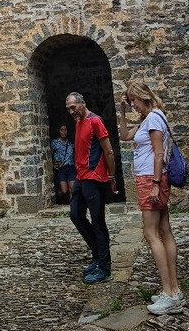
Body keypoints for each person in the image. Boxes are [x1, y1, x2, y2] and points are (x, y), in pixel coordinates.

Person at [118, 82, 184, 315]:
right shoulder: (149, 119)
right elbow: (124, 135)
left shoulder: (154, 118)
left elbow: (158, 153)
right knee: (164, 230)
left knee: (151, 233)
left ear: (143, 97)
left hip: (151, 179)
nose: (133, 105)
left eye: (134, 101)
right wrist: (123, 112)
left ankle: (169, 292)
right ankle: (174, 291)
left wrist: (155, 184)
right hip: (151, 179)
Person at [65, 92, 118, 284]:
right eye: (68, 108)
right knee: (75, 215)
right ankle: (97, 255)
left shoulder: (95, 121)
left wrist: (111, 177)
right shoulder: (79, 122)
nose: (71, 111)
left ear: (82, 104)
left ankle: (105, 267)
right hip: (80, 177)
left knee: (97, 221)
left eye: (74, 107)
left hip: (94, 177)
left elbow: (108, 151)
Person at [51, 124, 75, 204]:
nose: (64, 132)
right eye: (62, 130)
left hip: (71, 167)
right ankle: (58, 194)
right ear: (59, 131)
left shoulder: (71, 143)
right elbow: (50, 155)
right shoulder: (55, 143)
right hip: (61, 169)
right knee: (64, 191)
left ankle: (73, 206)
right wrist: (52, 165)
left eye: (65, 130)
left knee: (72, 188)